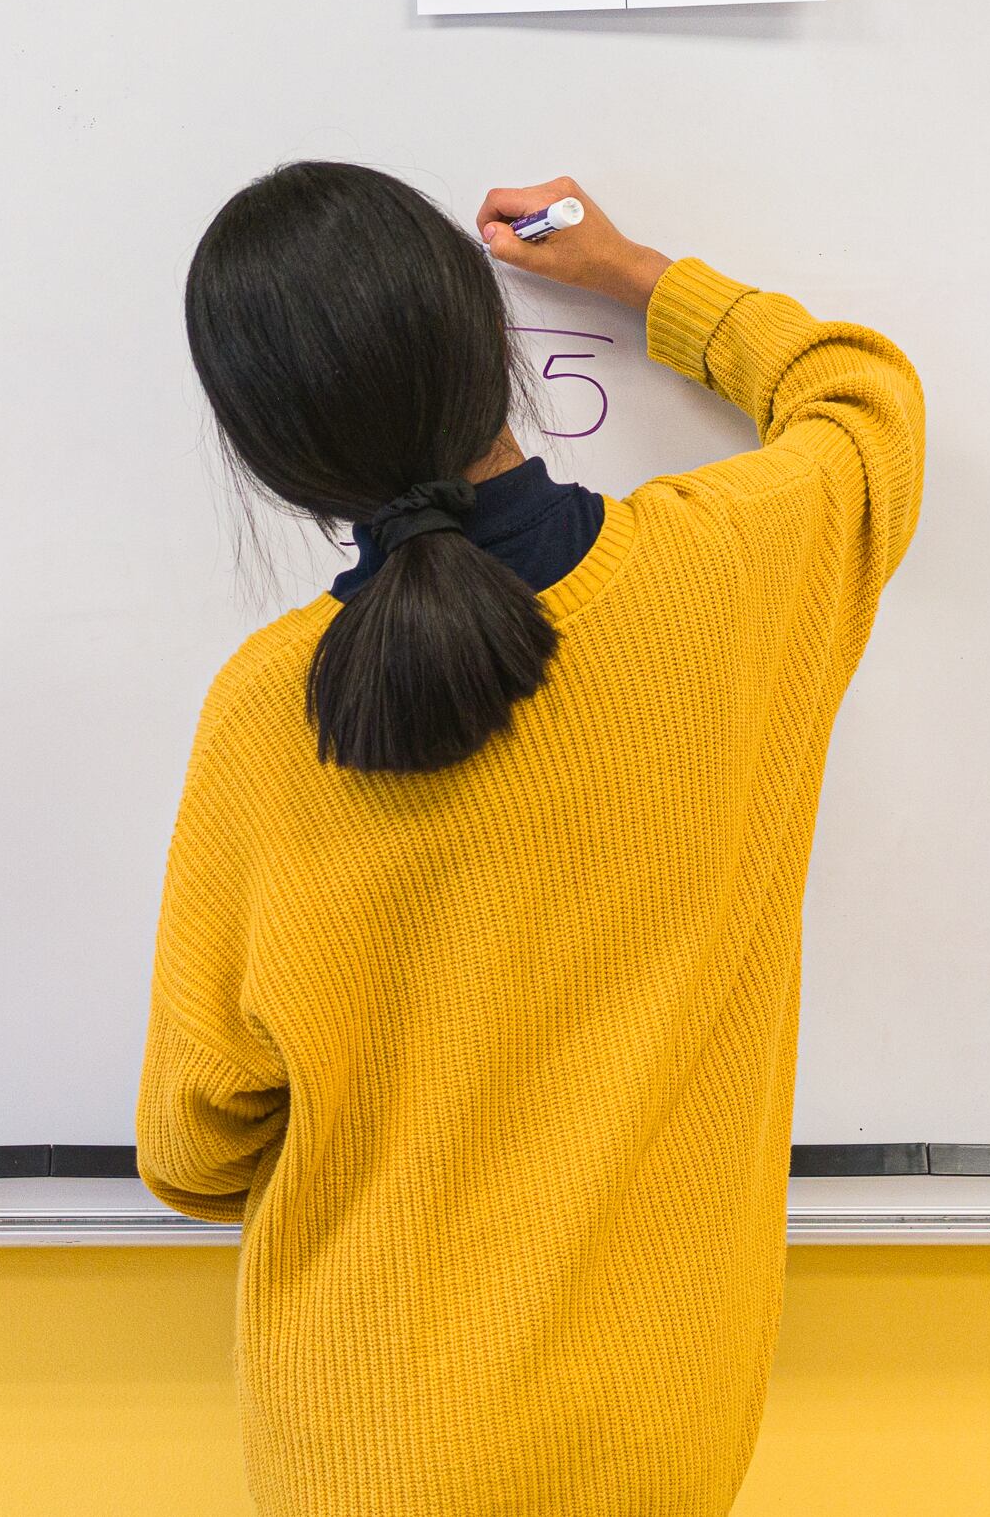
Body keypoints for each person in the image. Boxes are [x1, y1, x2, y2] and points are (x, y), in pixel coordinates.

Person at [140, 162, 923, 1517]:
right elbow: (864, 397)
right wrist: (633, 275)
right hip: (657, 1430)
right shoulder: (728, 571)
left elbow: (194, 1143)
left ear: (271, 456)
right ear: (485, 343)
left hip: (360, 1438)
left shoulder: (269, 709)